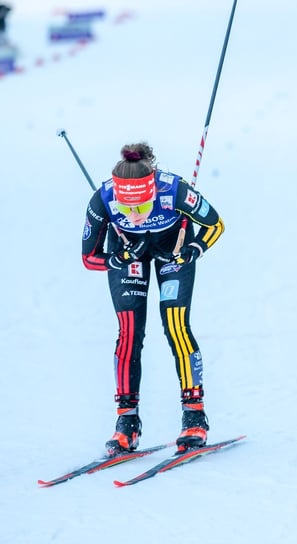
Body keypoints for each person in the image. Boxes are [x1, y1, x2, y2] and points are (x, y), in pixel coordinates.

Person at [81, 142, 225, 455]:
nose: (132, 215)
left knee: (175, 325)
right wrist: (114, 260)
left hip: (172, 250)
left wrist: (194, 249)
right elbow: (88, 257)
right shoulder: (103, 199)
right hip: (128, 254)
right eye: (125, 208)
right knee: (130, 332)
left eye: (141, 207)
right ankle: (126, 423)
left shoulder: (173, 191)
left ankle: (194, 416)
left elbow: (215, 224)